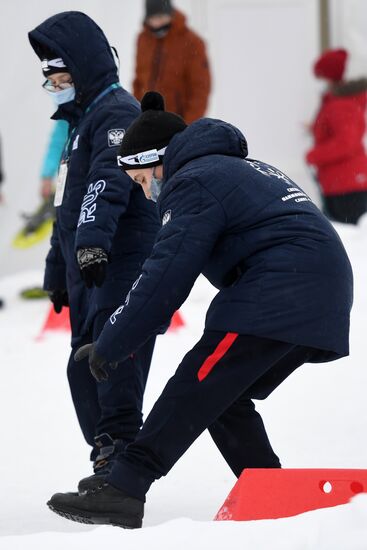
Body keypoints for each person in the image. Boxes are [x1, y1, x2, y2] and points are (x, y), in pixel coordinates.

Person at [47, 92, 353, 529]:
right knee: (222, 397)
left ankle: (126, 486)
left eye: (140, 180)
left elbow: (164, 278)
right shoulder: (228, 169)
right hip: (317, 289)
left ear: (157, 161)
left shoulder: (192, 181)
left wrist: (112, 342)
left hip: (282, 289)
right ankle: (271, 490)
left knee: (197, 381)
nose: (146, 191)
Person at [28, 12, 159, 492]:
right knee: (83, 369)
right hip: (89, 272)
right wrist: (56, 267)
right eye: (51, 82)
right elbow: (67, 203)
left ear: (84, 71)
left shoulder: (116, 114)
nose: (57, 88)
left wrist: (90, 245)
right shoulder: (79, 125)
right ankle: (108, 453)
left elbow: (107, 184)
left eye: (63, 79)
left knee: (114, 362)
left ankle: (121, 465)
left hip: (118, 264)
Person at [306, 48, 367, 224]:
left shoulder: (340, 105)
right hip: (343, 183)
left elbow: (347, 142)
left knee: (349, 240)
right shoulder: (340, 102)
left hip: (346, 186)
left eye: (321, 77)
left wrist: (314, 155)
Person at [133, 0, 211, 123]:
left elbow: (200, 89)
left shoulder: (192, 42)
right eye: (153, 18)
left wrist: (187, 125)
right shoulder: (143, 39)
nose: (157, 23)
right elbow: (138, 80)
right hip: (147, 122)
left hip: (177, 122)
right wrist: (136, 113)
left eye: (161, 17)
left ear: (170, 14)